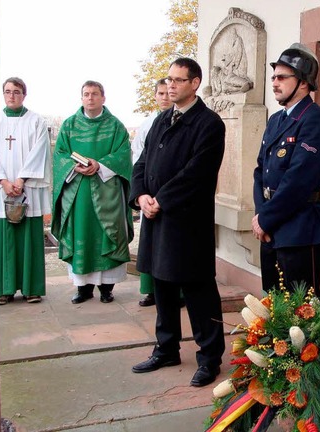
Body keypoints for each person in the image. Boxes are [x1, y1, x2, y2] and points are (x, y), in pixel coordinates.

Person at [130, 58, 226, 388]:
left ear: (195, 83)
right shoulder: (161, 120)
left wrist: (161, 200)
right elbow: (142, 162)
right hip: (157, 219)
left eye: (178, 80)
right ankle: (166, 348)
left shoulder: (209, 124)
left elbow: (196, 174)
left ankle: (210, 357)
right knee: (162, 286)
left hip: (187, 223)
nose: (170, 86)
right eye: (168, 80)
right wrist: (141, 195)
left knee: (198, 290)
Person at [252, 43, 320, 296]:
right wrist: (260, 217)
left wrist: (266, 219)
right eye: (273, 77)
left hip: (298, 229)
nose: (275, 83)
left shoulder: (316, 119)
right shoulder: (277, 119)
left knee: (302, 310)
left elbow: (299, 180)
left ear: (303, 82)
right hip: (269, 227)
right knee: (272, 304)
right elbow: (260, 171)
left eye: (281, 77)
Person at [51, 81, 133, 304]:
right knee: (81, 235)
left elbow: (124, 154)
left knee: (108, 235)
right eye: (86, 94)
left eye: (95, 94)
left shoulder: (115, 126)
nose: (90, 98)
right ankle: (83, 289)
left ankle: (107, 288)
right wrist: (72, 166)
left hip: (107, 191)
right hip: (78, 193)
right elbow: (59, 155)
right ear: (81, 98)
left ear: (103, 98)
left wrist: (100, 165)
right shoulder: (69, 125)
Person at [0, 77, 52, 305]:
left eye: (16, 91)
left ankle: (31, 288)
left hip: (28, 187)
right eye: (7, 91)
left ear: (24, 95)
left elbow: (40, 151)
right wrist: (3, 181)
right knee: (2, 239)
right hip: (1, 189)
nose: (11, 95)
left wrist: (20, 179)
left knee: (29, 237)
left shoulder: (36, 121)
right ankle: (3, 289)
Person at [131, 78, 171, 307]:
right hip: (149, 196)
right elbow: (139, 159)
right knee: (151, 247)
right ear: (155, 96)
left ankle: (177, 294)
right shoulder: (148, 125)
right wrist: (141, 193)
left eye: (168, 92)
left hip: (168, 198)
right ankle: (150, 290)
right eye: (161, 93)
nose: (165, 97)